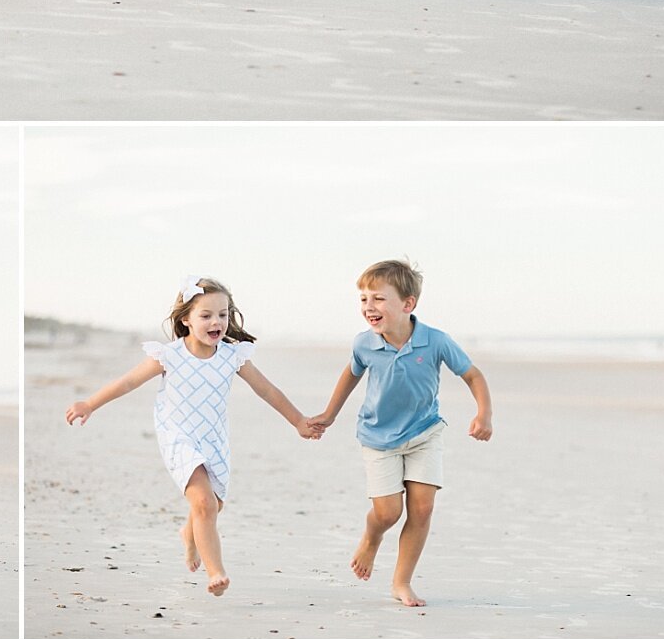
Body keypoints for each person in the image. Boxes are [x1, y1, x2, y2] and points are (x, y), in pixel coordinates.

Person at [65, 276, 319, 597]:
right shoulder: (169, 356)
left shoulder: (232, 356)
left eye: (223, 315)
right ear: (186, 319)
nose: (217, 322)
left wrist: (298, 421)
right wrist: (89, 403)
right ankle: (216, 572)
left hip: (214, 438)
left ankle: (189, 535)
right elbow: (128, 382)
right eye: (206, 315)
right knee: (203, 503)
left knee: (214, 505)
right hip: (178, 435)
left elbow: (266, 389)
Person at [304, 259, 493, 608]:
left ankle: (401, 582)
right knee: (388, 512)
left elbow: (473, 375)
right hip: (379, 438)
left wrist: (483, 413)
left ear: (408, 304)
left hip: (425, 432)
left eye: (377, 298)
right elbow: (351, 375)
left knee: (421, 508)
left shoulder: (435, 341)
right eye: (363, 299)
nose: (368, 307)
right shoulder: (364, 343)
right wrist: (329, 415)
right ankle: (371, 538)